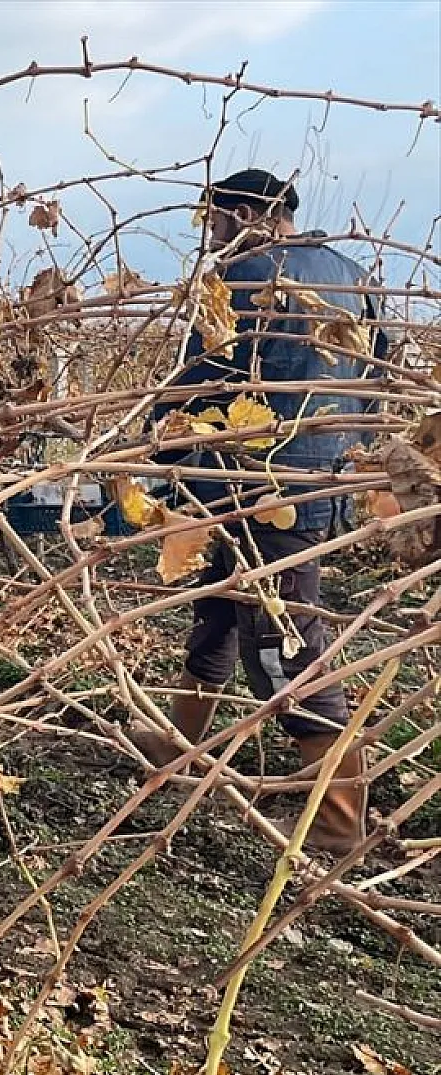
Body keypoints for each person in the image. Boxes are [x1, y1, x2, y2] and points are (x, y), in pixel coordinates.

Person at [130, 169, 387, 855]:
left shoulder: (242, 278)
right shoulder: (354, 274)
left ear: (246, 213)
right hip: (317, 481)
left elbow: (198, 379)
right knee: (218, 606)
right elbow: (376, 380)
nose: (210, 236)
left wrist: (159, 444)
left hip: (258, 482)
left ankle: (336, 820)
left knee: (284, 642)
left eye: (214, 221)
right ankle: (181, 745)